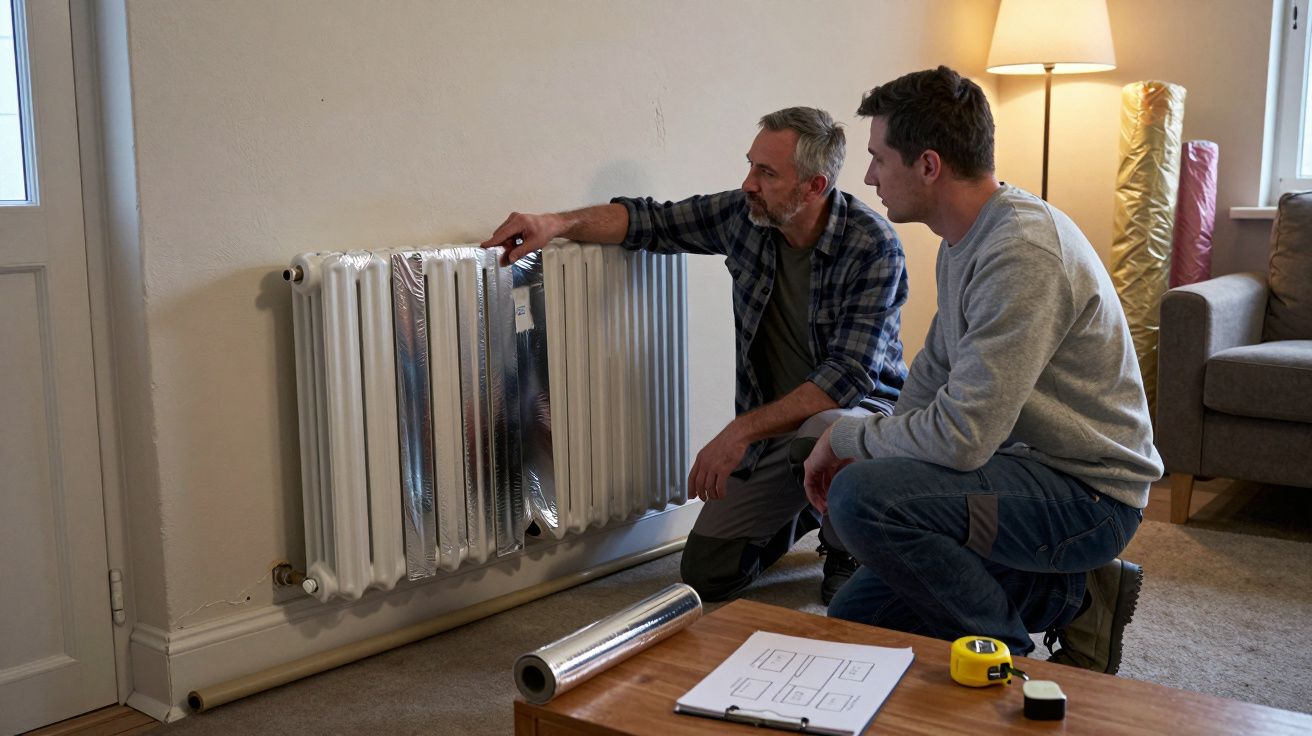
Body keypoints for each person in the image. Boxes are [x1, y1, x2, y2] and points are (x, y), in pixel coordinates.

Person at [803, 67, 1164, 675]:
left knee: (862, 496)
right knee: (856, 624)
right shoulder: (962, 239)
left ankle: (1007, 660)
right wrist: (873, 442)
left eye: (878, 158)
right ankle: (1074, 598)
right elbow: (932, 378)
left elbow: (963, 437)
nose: (868, 177)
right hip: (1023, 469)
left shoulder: (1022, 250)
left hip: (1091, 495)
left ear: (929, 165)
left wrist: (845, 438)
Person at [481, 107, 908, 603]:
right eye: (750, 166)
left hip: (858, 420)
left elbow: (847, 377)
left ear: (814, 186)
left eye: (766, 173)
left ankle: (846, 544)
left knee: (826, 426)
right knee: (708, 574)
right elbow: (649, 221)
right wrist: (554, 222)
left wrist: (738, 431)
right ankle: (809, 505)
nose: (749, 183)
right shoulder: (745, 218)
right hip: (775, 432)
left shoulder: (873, 246)